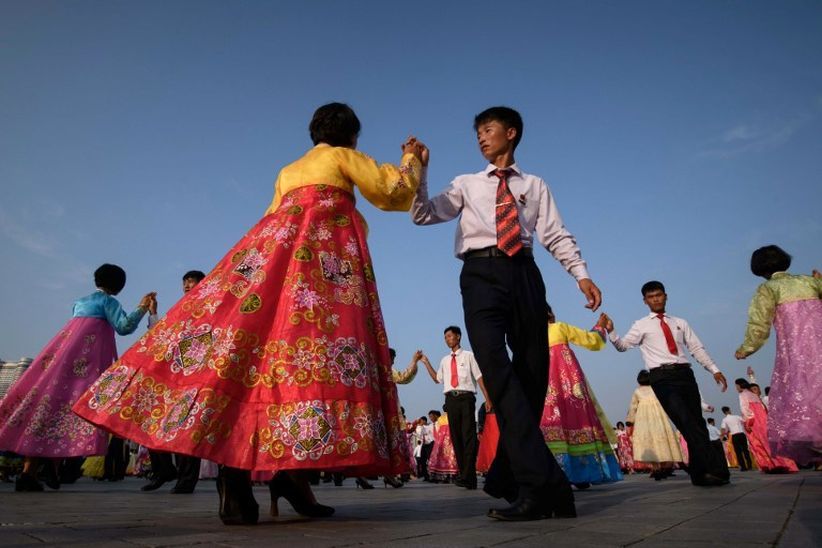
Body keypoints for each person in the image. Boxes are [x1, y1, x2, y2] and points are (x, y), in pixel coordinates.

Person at [73, 103, 424, 524]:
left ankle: (240, 479)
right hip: (317, 278)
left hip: (269, 262)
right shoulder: (342, 156)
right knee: (304, 367)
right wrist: (412, 160)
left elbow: (270, 217)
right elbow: (394, 192)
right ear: (351, 137)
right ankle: (290, 477)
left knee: (248, 362)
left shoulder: (288, 171)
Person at [410, 106, 601, 521]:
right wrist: (422, 174)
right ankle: (544, 486)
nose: (481, 137)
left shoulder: (534, 185)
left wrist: (580, 275)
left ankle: (508, 476)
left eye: (488, 130)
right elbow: (424, 214)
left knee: (533, 375)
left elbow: (554, 233)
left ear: (510, 133)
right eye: (477, 132)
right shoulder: (466, 183)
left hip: (526, 274)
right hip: (480, 275)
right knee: (496, 369)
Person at [0, 264, 154, 492]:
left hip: (61, 362)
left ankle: (30, 472)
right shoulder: (109, 302)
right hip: (84, 369)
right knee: (73, 413)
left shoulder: (80, 303)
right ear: (120, 286)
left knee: (44, 412)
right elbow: (124, 327)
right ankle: (51, 468)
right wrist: (142, 307)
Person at [603, 280, 730, 487]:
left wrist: (714, 370)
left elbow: (696, 348)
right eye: (651, 297)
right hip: (661, 377)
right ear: (645, 301)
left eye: (659, 295)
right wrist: (612, 331)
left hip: (685, 374)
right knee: (685, 421)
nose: (656, 299)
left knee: (697, 423)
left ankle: (701, 474)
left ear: (665, 296)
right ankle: (714, 469)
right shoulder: (641, 325)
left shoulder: (680, 322)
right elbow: (623, 345)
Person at [734, 245, 821, 466]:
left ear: (758, 269)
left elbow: (759, 324)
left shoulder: (768, 289)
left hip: (797, 351)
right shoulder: (809, 281)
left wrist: (746, 348)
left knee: (804, 390)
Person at [540, 307, 621, 487]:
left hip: (549, 385)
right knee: (578, 421)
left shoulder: (530, 337)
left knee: (552, 423)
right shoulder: (559, 327)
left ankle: (560, 473)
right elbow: (590, 340)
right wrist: (599, 327)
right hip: (568, 381)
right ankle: (582, 473)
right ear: (550, 315)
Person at [141, 270, 207, 494]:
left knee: (188, 428)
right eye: (185, 282)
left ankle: (186, 479)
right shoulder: (180, 309)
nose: (187, 285)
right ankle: (164, 469)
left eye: (191, 281)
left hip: (197, 374)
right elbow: (162, 335)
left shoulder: (211, 306)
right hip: (173, 373)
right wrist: (154, 314)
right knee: (154, 418)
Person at [419, 326, 490, 490]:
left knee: (468, 437)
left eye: (449, 336)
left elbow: (479, 377)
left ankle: (468, 475)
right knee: (456, 438)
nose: (447, 339)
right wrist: (426, 362)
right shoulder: (444, 360)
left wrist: (488, 398)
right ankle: (466, 476)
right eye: (445, 337)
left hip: (466, 398)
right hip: (451, 400)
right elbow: (437, 379)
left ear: (458, 337)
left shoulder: (469, 356)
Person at [626, 370, 682, 480]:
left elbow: (633, 407)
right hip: (659, 417)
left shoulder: (637, 391)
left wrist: (630, 421)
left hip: (644, 419)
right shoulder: (656, 389)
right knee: (662, 442)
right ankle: (664, 467)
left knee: (649, 442)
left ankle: (656, 469)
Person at [735, 379, 798, 474]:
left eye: (736, 386)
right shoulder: (754, 395)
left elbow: (745, 409)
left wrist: (748, 423)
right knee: (769, 442)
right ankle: (784, 464)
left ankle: (773, 465)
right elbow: (762, 408)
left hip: (755, 422)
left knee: (760, 444)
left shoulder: (743, 394)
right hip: (764, 420)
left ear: (740, 385)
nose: (736, 388)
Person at [720, 406, 752, 471]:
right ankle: (749, 465)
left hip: (734, 436)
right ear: (728, 410)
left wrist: (722, 436)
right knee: (745, 450)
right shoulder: (737, 417)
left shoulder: (725, 420)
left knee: (738, 452)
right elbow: (745, 421)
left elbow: (724, 429)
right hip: (742, 434)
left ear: (724, 412)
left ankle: (743, 467)